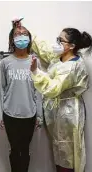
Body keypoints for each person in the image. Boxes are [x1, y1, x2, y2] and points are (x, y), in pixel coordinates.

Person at [30, 28, 92, 172]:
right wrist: (27, 33)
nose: (56, 43)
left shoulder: (72, 66)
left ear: (71, 46)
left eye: (60, 40)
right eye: (57, 39)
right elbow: (44, 50)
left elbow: (53, 88)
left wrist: (35, 72)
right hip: (59, 113)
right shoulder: (60, 57)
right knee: (59, 150)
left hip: (69, 115)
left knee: (68, 153)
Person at [0, 19, 43, 172]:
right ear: (12, 39)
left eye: (24, 34)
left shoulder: (34, 61)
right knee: (15, 150)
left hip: (30, 114)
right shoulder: (6, 62)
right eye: (17, 34)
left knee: (25, 150)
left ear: (29, 38)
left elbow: (38, 90)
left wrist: (40, 115)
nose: (21, 36)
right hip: (10, 114)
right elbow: (1, 89)